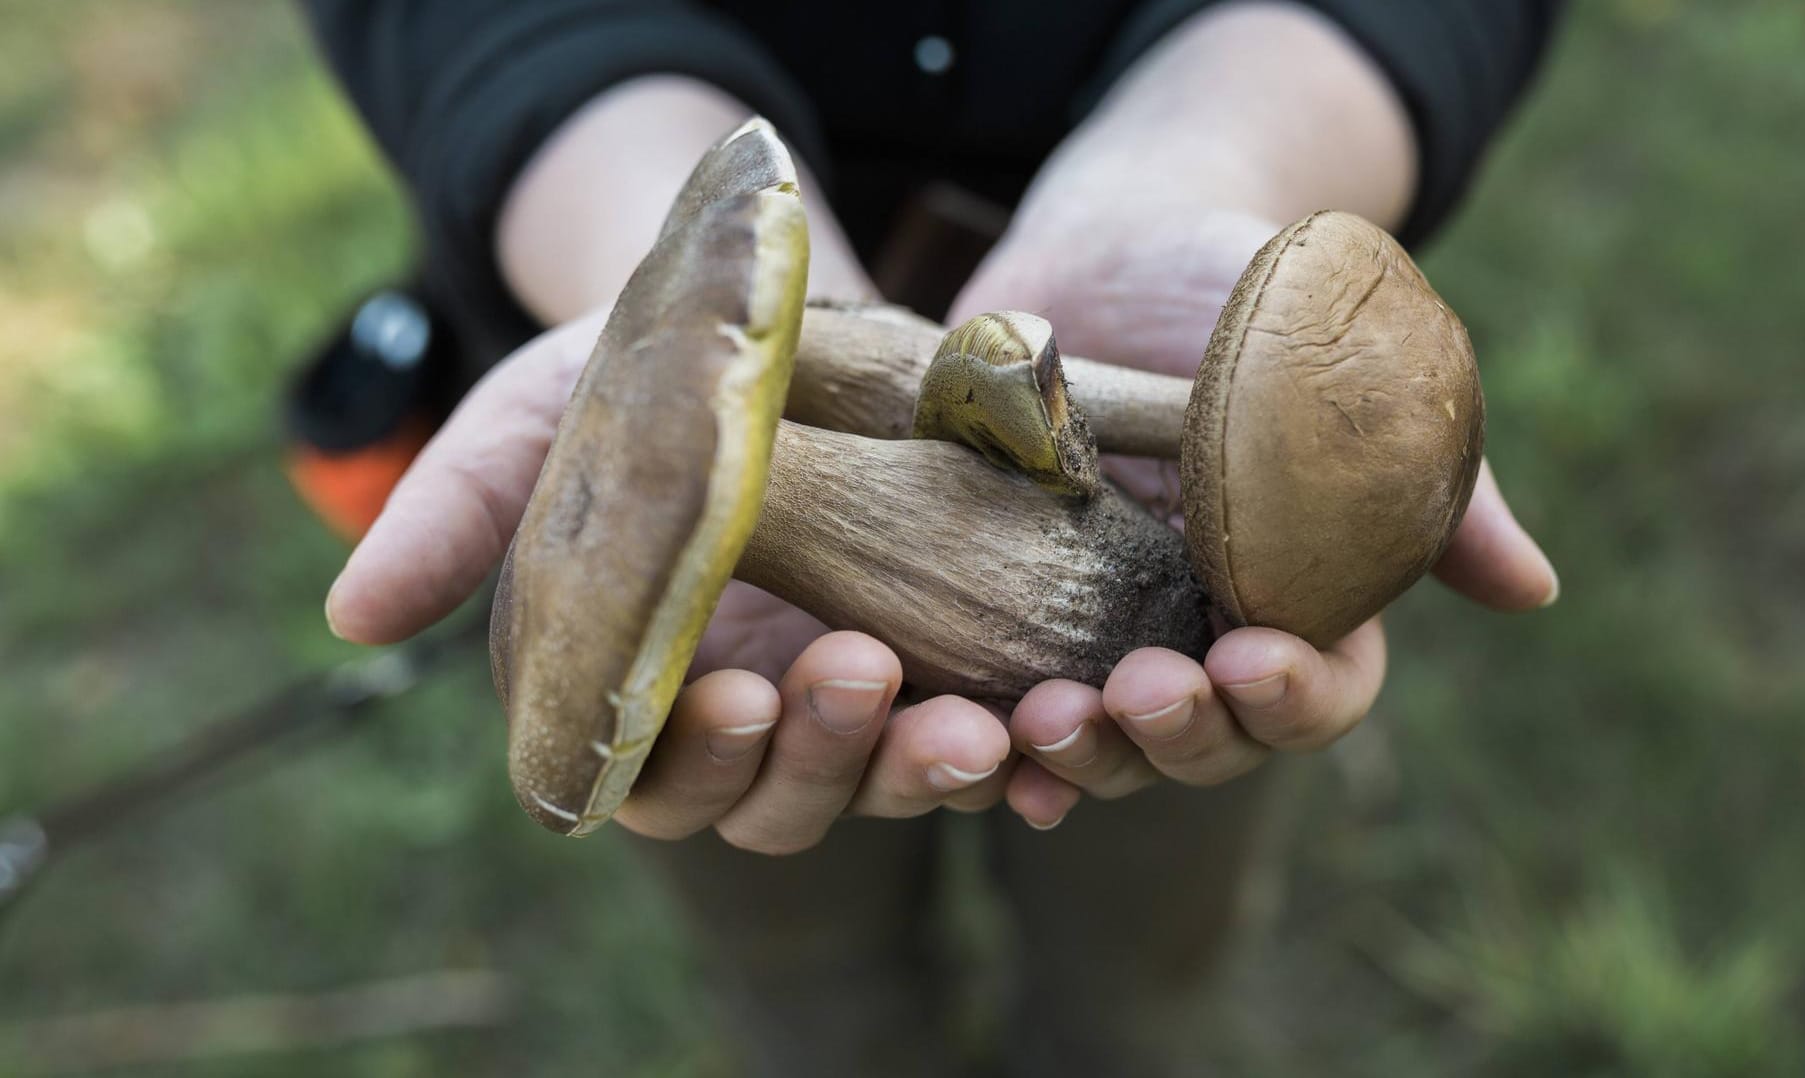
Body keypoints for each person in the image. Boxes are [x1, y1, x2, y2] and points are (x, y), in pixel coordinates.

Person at [305, 1, 1564, 1072]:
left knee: (1140, 955)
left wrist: (1216, 152)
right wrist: (613, 196)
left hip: (1163, 584)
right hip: (734, 632)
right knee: (798, 942)